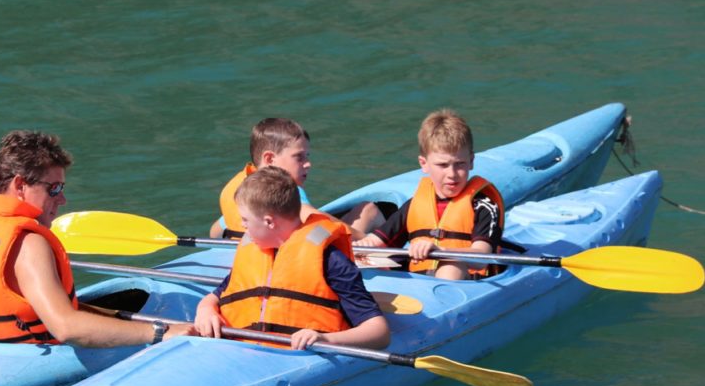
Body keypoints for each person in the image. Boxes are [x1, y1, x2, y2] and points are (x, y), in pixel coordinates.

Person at [0, 130, 196, 346]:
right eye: (54, 188)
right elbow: (66, 327)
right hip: (26, 358)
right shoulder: (28, 243)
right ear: (20, 185)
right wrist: (160, 333)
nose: (63, 199)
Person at [196, 167, 391, 351]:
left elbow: (379, 331)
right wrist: (205, 311)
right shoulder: (255, 254)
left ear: (269, 222)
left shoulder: (329, 260)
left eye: (245, 220)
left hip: (296, 356)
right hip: (241, 352)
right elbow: (214, 297)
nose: (242, 226)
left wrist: (325, 339)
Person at [355, 109, 504, 280]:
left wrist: (441, 251)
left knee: (451, 264)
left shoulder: (484, 204)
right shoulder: (415, 205)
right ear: (424, 164)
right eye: (443, 165)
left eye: (460, 164)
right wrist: (359, 246)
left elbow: (481, 257)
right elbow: (376, 243)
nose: (452, 174)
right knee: (363, 256)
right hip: (418, 284)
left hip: (466, 282)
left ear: (471, 161)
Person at [208, 117, 383, 240]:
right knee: (368, 210)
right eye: (299, 157)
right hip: (292, 258)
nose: (308, 164)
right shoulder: (285, 190)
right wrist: (366, 239)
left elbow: (215, 231)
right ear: (269, 159)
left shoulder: (241, 190)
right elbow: (313, 216)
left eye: (307, 156)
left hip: (250, 257)